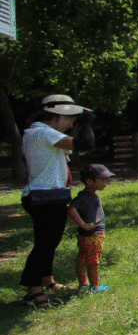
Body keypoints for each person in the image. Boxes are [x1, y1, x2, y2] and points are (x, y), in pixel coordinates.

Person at [20, 94, 94, 309]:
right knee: (44, 246)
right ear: (57, 116)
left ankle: (46, 281)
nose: (72, 124)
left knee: (49, 244)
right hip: (45, 197)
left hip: (48, 196)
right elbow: (87, 143)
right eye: (70, 118)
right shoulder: (43, 133)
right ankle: (33, 293)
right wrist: (88, 121)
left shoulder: (40, 133)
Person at [67, 164, 116, 293]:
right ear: (89, 181)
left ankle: (83, 284)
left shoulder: (88, 196)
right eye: (103, 180)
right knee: (93, 261)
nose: (106, 182)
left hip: (86, 235)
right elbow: (71, 210)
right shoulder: (85, 197)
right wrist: (83, 224)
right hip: (93, 235)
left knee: (82, 259)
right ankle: (95, 287)